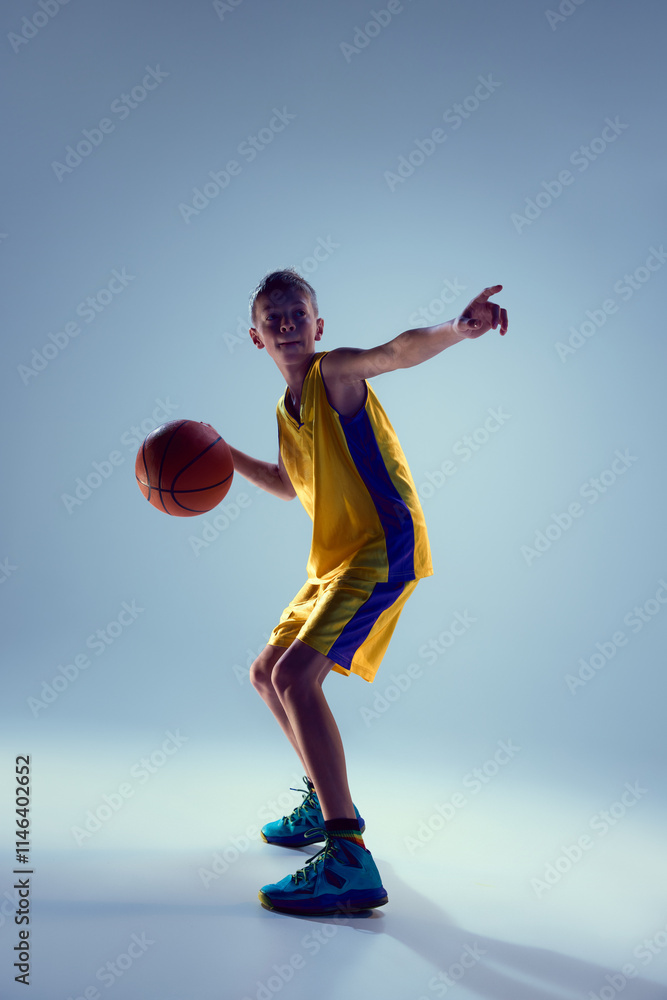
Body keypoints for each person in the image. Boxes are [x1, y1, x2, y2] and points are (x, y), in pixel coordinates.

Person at [227, 268, 508, 916]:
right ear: (256, 337)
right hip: (336, 561)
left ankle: (348, 856)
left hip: (382, 546)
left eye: (297, 314)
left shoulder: (334, 374)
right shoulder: (286, 409)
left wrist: (457, 328)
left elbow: (394, 352)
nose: (287, 325)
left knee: (296, 678)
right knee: (267, 673)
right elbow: (286, 483)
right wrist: (221, 454)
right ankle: (322, 800)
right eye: (273, 319)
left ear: (318, 325)